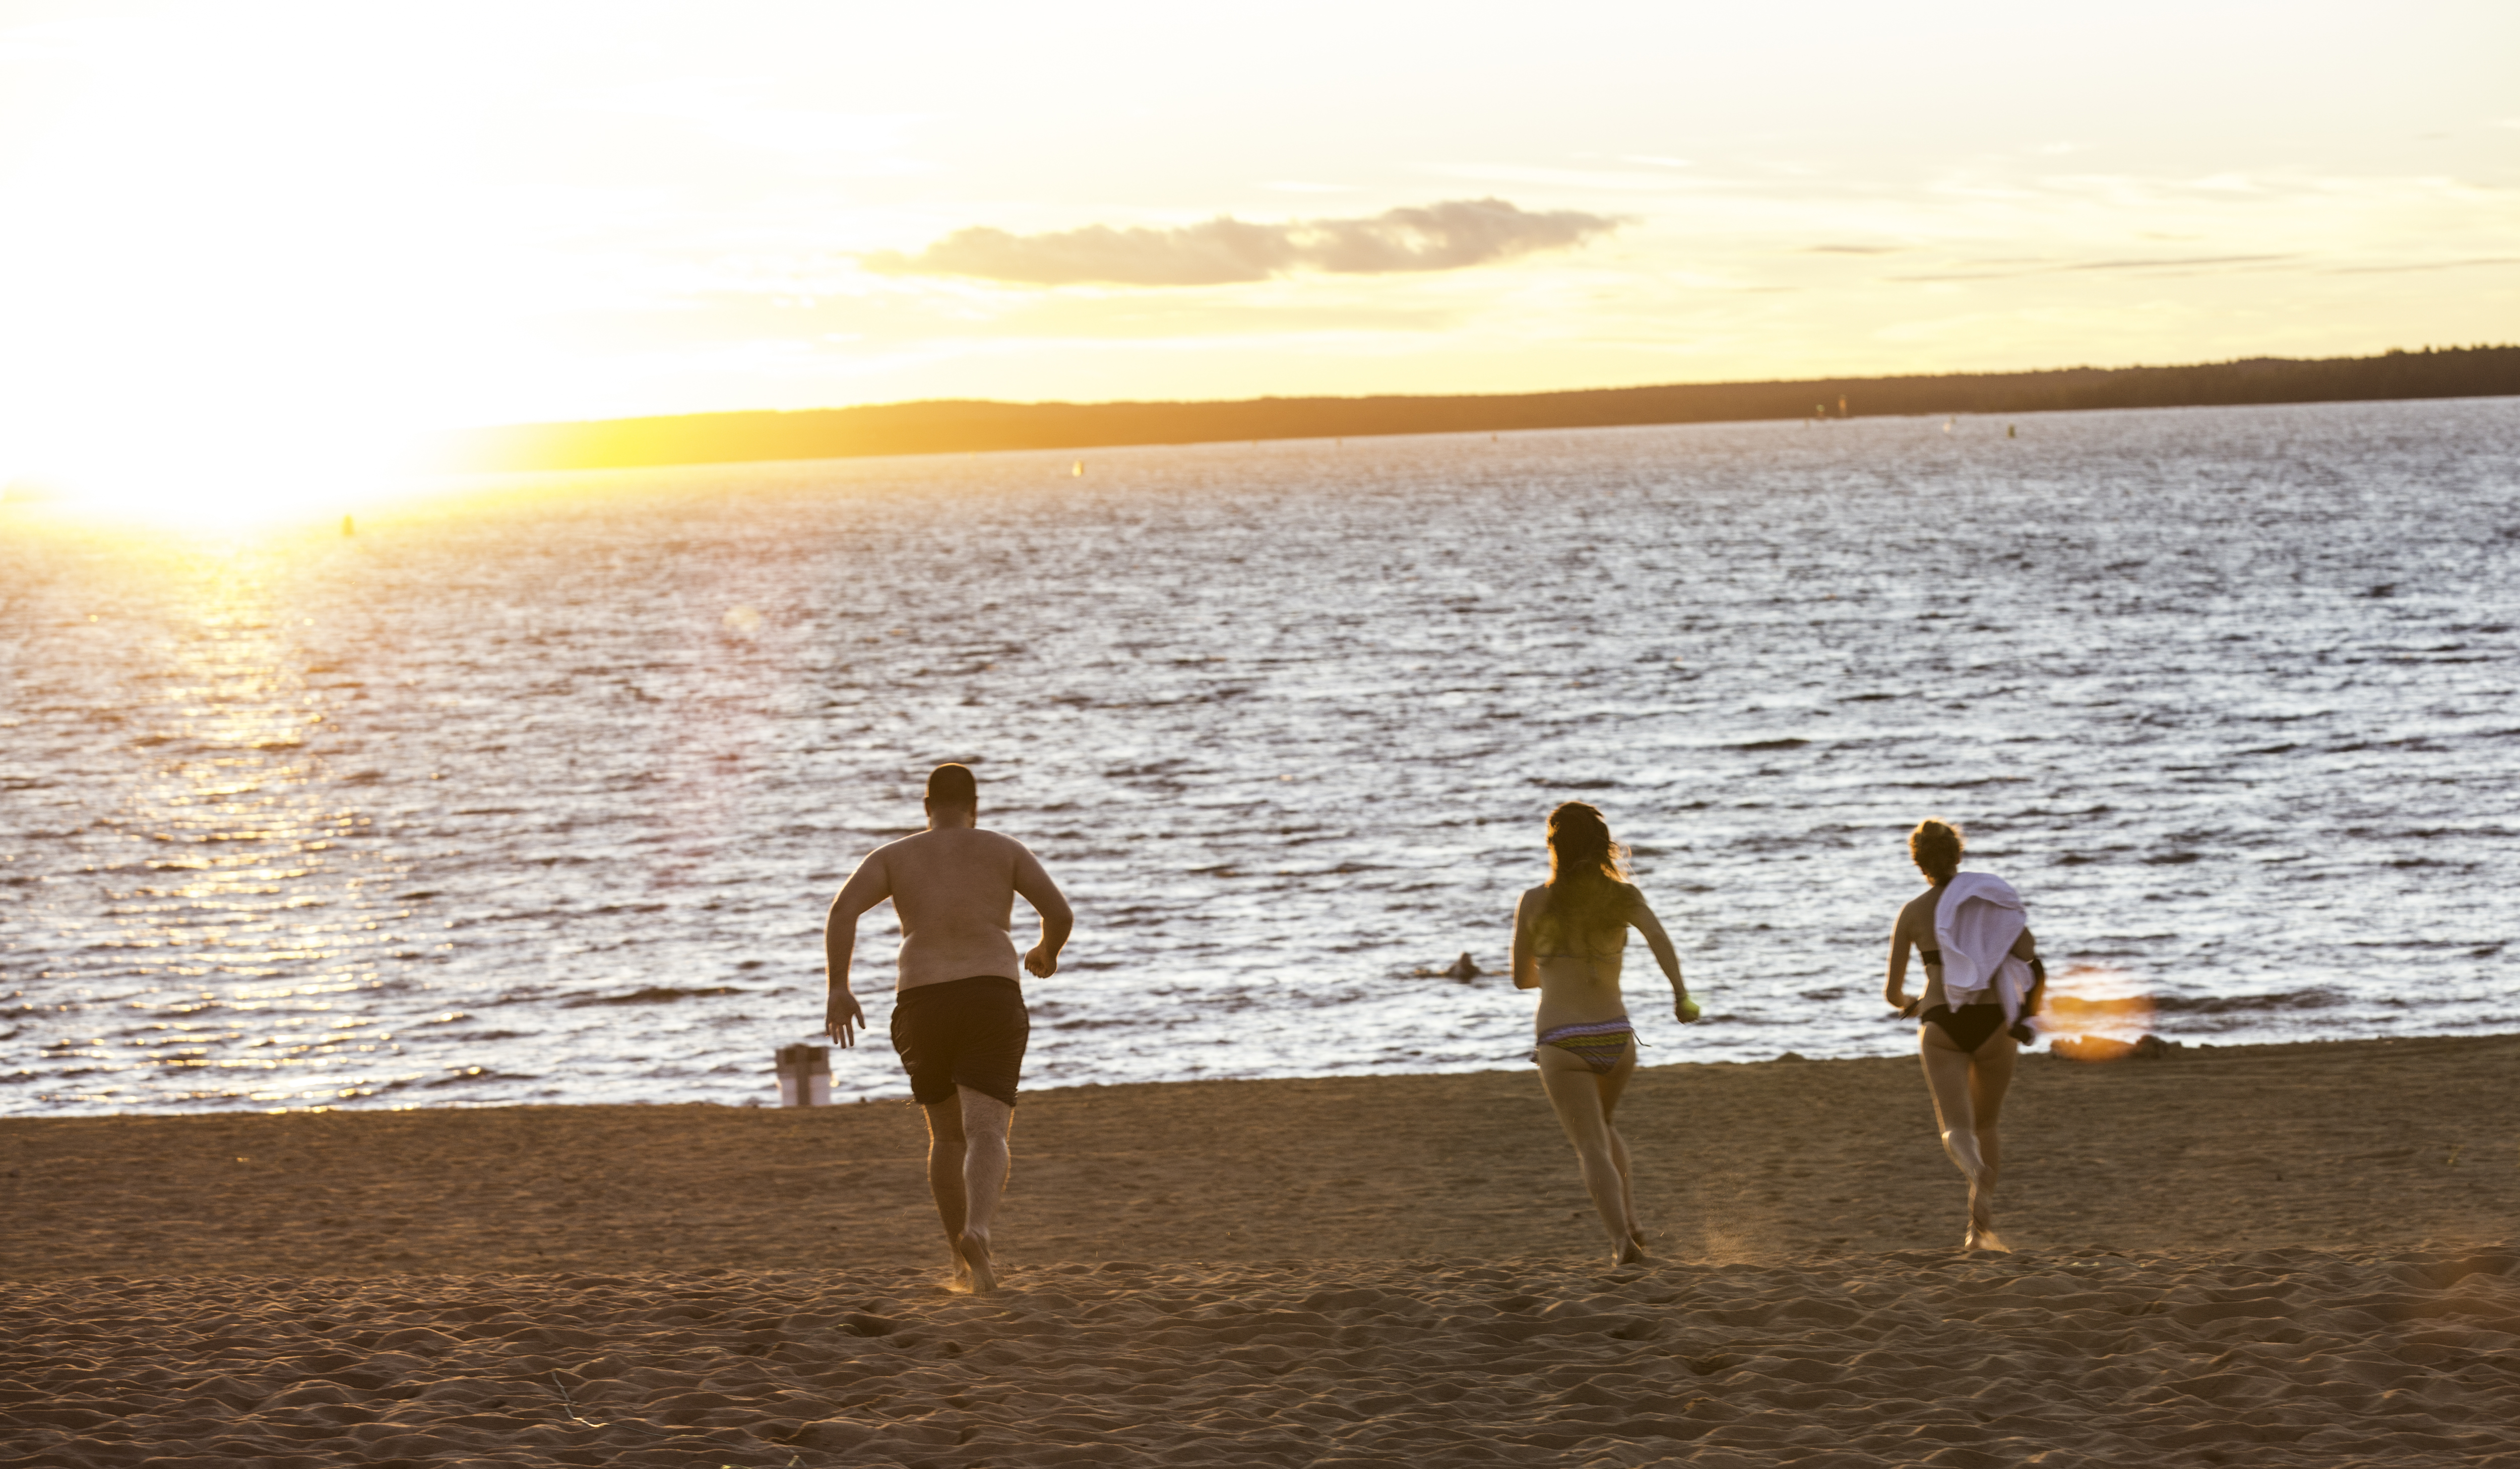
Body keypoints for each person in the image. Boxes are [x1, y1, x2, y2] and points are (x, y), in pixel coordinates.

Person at [824, 763, 1073, 1293]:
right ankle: (977, 1230)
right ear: (974, 804)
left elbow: (842, 910)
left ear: (926, 805)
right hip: (989, 992)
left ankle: (960, 1264)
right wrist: (1045, 952)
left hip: (920, 998)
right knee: (988, 1129)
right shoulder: (1004, 849)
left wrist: (839, 988)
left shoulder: (893, 856)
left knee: (945, 1136)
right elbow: (1058, 910)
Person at [1510, 801, 1700, 1265]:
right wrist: (1680, 994)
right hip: (1616, 1037)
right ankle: (1632, 1221)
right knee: (1605, 1126)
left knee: (1590, 1143)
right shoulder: (1624, 897)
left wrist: (1555, 973)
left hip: (1561, 1038)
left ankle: (1622, 1244)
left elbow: (1521, 978)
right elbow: (1660, 939)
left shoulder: (1535, 900)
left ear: (1554, 847)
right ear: (1603, 845)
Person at [1882, 817, 2046, 1252]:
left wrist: (1911, 1003)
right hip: (1995, 1022)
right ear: (1959, 854)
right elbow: (2027, 952)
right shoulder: (1987, 902)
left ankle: (1971, 1165)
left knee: (1957, 1126)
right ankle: (1978, 1231)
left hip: (1941, 1022)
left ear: (1919, 862)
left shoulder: (1913, 911)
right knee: (1987, 1123)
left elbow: (1892, 992)